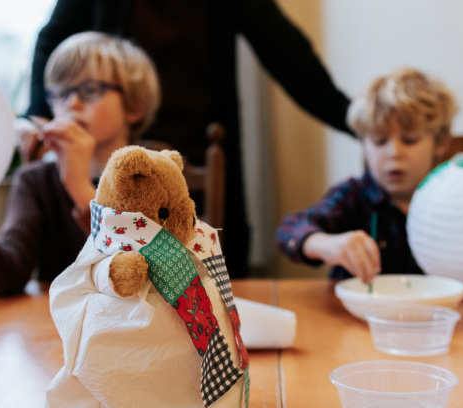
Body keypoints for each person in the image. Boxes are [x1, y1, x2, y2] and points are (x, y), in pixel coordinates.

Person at [20, 0, 354, 278]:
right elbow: (52, 40)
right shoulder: (42, 181)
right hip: (123, 148)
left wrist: (355, 121)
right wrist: (37, 118)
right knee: (124, 273)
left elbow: (288, 54)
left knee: (205, 281)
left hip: (198, 155)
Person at [0, 32, 161, 296]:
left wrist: (79, 187)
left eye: (90, 90)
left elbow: (152, 272)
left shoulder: (154, 171)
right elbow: (9, 276)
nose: (71, 104)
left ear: (134, 105)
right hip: (58, 330)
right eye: (60, 93)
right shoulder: (36, 180)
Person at [275, 67, 458, 283]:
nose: (394, 153)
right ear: (363, 142)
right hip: (356, 314)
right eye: (379, 141)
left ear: (441, 142)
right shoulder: (354, 195)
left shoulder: (454, 199)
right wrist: (327, 244)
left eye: (409, 140)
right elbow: (290, 229)